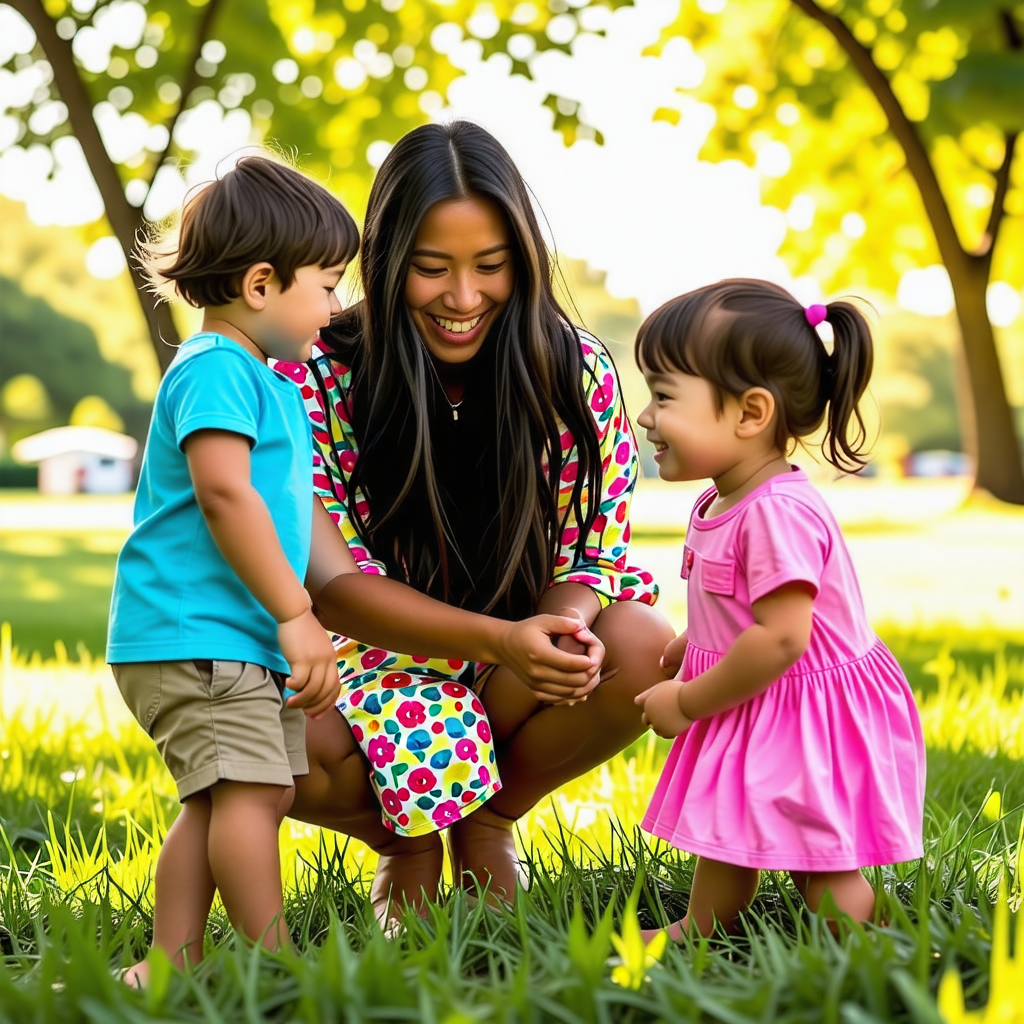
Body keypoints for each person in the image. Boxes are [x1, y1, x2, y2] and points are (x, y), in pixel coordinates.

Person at [109, 154, 603, 985]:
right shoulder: (219, 371)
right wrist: (297, 613)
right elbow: (227, 496)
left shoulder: (255, 377)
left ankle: (169, 960)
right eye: (328, 284)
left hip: (222, 638)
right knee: (249, 798)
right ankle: (275, 963)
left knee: (216, 801)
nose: (338, 306)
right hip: (200, 635)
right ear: (261, 284)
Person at [283, 120, 675, 925]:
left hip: (508, 668)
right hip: (368, 663)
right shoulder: (313, 370)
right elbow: (336, 586)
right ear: (388, 263)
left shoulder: (573, 371)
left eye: (490, 267)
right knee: (255, 720)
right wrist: (496, 640)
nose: (464, 299)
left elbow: (593, 549)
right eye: (433, 269)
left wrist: (558, 633)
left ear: (522, 261)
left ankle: (489, 820)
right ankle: (408, 843)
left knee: (641, 647)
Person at [631, 279, 926, 939]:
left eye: (664, 396)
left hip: (803, 706)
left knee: (815, 856)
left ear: (750, 412)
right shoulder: (722, 499)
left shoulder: (776, 514)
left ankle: (866, 944)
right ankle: (704, 925)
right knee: (731, 821)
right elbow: (738, 607)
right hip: (765, 696)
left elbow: (781, 639)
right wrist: (693, 642)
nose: (646, 416)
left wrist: (686, 700)